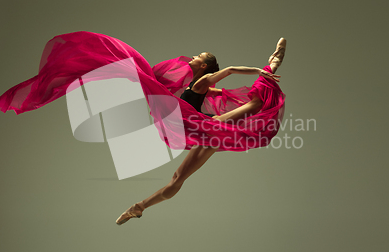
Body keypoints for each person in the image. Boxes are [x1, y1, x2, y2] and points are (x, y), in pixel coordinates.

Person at [115, 39, 286, 225]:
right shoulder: (197, 85)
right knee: (177, 179)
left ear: (204, 65)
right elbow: (219, 93)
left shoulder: (203, 81)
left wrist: (257, 71)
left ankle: (272, 64)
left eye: (198, 56)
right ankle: (138, 207)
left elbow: (228, 70)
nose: (193, 56)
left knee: (254, 104)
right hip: (206, 135)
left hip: (208, 127)